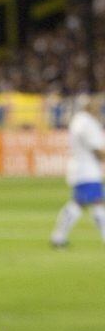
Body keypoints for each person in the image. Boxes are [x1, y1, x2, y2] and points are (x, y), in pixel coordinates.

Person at [50, 94, 105, 248]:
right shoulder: (86, 123)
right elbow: (97, 150)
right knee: (93, 202)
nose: (98, 106)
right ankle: (58, 237)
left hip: (84, 169)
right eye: (94, 103)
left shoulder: (80, 121)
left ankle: (58, 237)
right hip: (86, 170)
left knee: (85, 203)